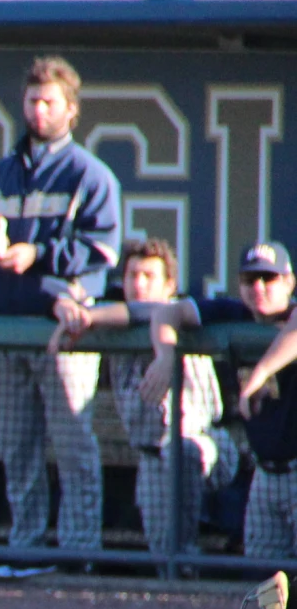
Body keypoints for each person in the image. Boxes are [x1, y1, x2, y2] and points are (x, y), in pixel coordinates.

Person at [0, 55, 123, 554]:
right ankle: (25, 546)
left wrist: (38, 254)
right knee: (16, 445)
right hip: (9, 327)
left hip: (65, 329)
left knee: (73, 444)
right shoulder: (2, 173)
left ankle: (79, 550)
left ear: (71, 109)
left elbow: (102, 250)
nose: (37, 109)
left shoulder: (90, 174)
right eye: (32, 99)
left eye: (48, 101)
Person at [110, 240, 297, 561]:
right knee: (263, 588)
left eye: (270, 278)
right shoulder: (234, 313)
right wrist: (166, 354)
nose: (259, 288)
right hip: (266, 477)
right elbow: (168, 312)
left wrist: (260, 372)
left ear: (289, 282)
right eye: (250, 280)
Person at [48, 236, 227, 562]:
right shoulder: (114, 317)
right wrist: (75, 311)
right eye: (132, 275)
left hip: (205, 445)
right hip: (152, 457)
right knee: (165, 555)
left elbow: (153, 311)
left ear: (169, 283)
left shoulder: (180, 312)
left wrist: (92, 317)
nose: (138, 284)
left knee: (180, 455)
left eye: (149, 276)